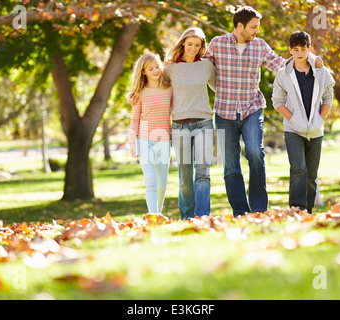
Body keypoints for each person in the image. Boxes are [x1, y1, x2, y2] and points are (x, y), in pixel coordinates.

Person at [204, 6, 323, 217]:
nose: (257, 31)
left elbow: (281, 64)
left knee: (255, 152)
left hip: (252, 108)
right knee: (231, 165)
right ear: (240, 26)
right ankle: (241, 211)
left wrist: (312, 60)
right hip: (224, 111)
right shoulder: (217, 44)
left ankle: (258, 209)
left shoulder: (259, 46)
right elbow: (201, 68)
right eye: (253, 27)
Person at [272, 31, 335, 213]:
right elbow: (277, 101)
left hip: (316, 130)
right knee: (298, 168)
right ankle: (296, 207)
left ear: (309, 49)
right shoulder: (283, 74)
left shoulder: (320, 71)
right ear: (290, 50)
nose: (300, 53)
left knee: (311, 174)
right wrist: (294, 119)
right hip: (293, 130)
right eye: (296, 49)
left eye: (304, 49)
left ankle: (308, 210)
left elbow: (328, 95)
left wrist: (319, 119)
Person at [163, 27, 216, 220]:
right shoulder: (170, 69)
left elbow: (221, 87)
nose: (193, 48)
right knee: (185, 177)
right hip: (180, 125)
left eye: (197, 45)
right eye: (190, 44)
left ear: (202, 46)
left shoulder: (207, 66)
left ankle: (202, 216)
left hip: (203, 123)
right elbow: (161, 91)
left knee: (203, 173)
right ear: (183, 43)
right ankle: (187, 217)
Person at [127, 54, 173, 214]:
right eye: (150, 68)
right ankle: (153, 215)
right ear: (143, 72)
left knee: (162, 184)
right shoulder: (140, 93)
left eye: (157, 66)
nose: (155, 70)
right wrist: (132, 143)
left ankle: (158, 213)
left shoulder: (169, 88)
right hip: (144, 140)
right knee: (151, 180)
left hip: (164, 140)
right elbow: (134, 120)